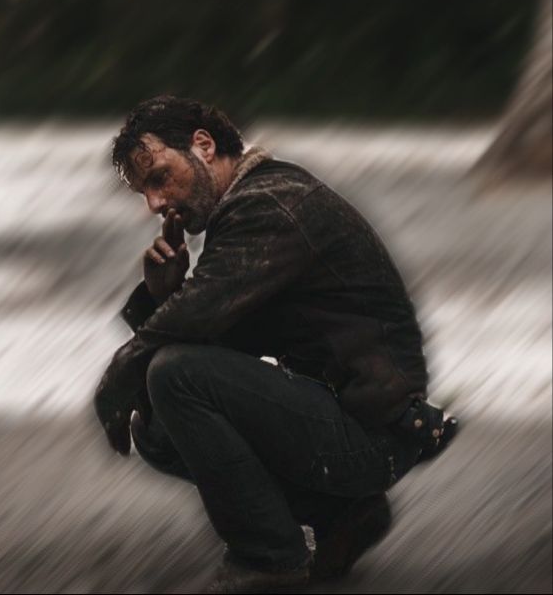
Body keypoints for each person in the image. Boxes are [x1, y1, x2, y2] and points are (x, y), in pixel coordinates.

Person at [93, 96, 457, 595]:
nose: (155, 203)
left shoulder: (269, 205)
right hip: (352, 425)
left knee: (173, 375)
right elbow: (220, 339)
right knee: (159, 425)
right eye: (143, 191)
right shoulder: (246, 207)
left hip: (371, 433)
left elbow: (192, 340)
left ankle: (269, 558)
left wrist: (115, 380)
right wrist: (166, 293)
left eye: (158, 177)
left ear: (203, 145)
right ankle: (342, 513)